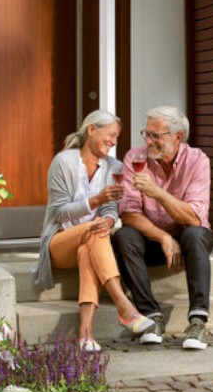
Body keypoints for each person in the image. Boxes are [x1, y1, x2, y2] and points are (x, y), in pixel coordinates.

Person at [33, 109, 154, 352]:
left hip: (91, 241)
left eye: (117, 137)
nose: (114, 141)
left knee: (93, 241)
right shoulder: (64, 162)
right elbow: (58, 212)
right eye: (110, 135)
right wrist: (96, 200)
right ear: (91, 130)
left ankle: (85, 333)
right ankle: (124, 305)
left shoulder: (113, 167)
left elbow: (110, 209)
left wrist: (109, 221)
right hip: (59, 243)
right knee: (94, 231)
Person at [112, 105, 213, 350]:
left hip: (190, 241)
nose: (149, 141)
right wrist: (164, 238)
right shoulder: (135, 158)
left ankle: (198, 322)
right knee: (123, 237)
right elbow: (129, 214)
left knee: (196, 234)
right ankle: (152, 317)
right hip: (153, 240)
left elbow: (194, 218)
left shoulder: (198, 160)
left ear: (177, 137)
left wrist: (157, 193)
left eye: (156, 136)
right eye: (146, 134)